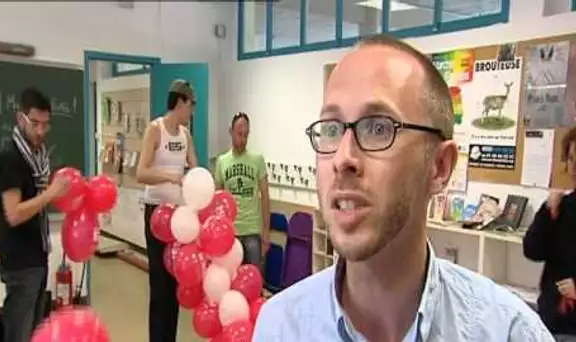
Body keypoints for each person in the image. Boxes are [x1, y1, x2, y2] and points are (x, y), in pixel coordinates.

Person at [253, 35, 552, 341]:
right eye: (331, 129)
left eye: (379, 128)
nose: (342, 158)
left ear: (440, 167)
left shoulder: (510, 333)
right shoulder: (281, 327)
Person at [0, 88, 69, 342]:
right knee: (19, 333)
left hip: (37, 255)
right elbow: (13, 213)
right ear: (20, 118)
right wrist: (50, 194)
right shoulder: (12, 158)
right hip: (19, 260)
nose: (40, 131)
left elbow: (38, 200)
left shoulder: (38, 157)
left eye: (45, 125)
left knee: (34, 332)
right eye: (35, 123)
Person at [136, 79, 198, 342]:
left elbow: (195, 169)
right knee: (159, 286)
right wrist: (169, 177)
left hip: (178, 217)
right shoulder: (156, 129)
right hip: (156, 215)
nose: (192, 111)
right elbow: (141, 172)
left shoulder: (185, 135)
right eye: (191, 104)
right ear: (180, 102)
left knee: (174, 285)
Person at [523, 126, 576, 341]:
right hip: (551, 321)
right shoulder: (564, 206)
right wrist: (547, 211)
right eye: (571, 159)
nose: (575, 166)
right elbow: (532, 250)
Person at [214, 112, 270, 268]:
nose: (243, 139)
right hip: (230, 233)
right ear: (230, 131)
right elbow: (216, 201)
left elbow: (265, 197)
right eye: (239, 134)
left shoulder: (257, 159)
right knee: (231, 279)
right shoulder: (222, 161)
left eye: (246, 135)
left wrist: (266, 233)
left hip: (252, 231)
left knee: (254, 279)